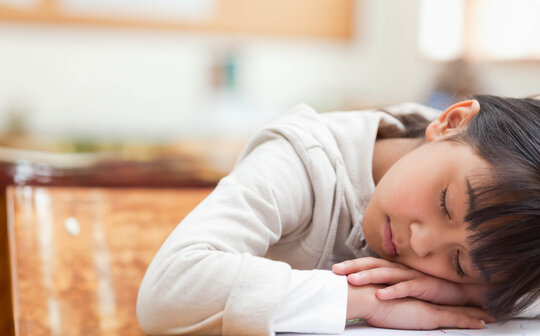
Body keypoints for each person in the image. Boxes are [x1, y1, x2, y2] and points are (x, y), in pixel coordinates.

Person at [137, 94, 540, 335]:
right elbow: (167, 291)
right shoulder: (303, 160)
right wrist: (364, 300)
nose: (421, 242)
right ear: (450, 121)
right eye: (444, 204)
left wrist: (465, 291)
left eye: (457, 262)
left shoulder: (466, 160)